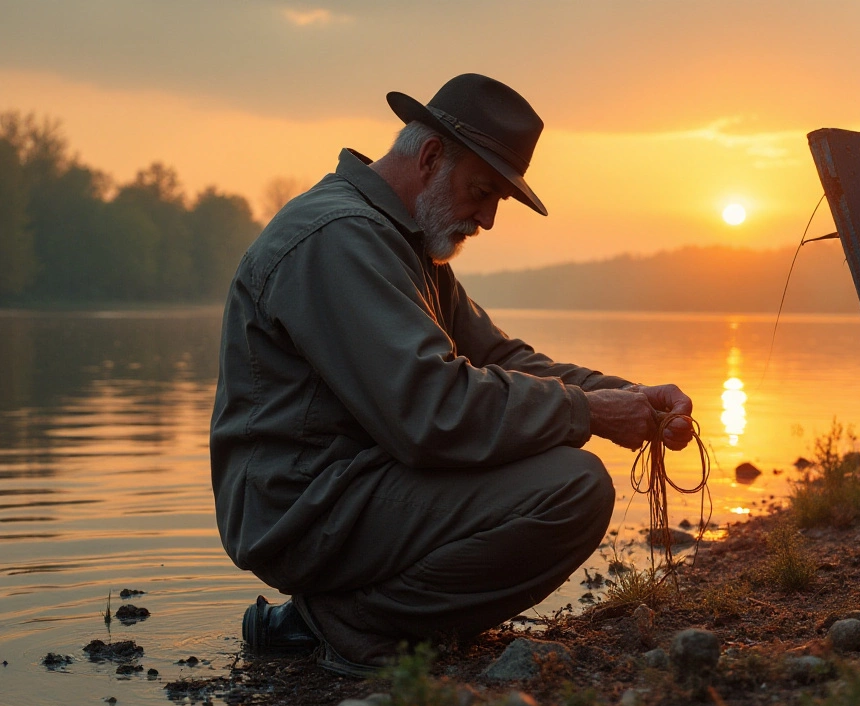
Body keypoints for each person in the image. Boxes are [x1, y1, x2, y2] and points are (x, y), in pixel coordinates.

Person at [210, 73, 694, 675]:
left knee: (559, 470)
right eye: (482, 190)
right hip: (301, 507)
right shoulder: (342, 237)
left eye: (499, 200)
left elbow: (503, 360)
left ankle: (357, 619)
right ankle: (347, 624)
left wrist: (627, 396)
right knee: (572, 488)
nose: (488, 219)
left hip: (355, 483)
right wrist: (588, 413)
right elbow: (432, 413)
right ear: (432, 157)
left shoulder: (402, 240)